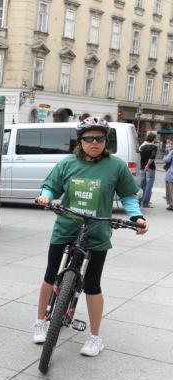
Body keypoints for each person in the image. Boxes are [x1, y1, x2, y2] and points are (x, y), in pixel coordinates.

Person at [34, 117, 149, 357]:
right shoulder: (67, 163)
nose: (94, 143)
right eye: (89, 139)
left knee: (92, 284)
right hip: (66, 227)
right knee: (50, 275)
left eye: (100, 138)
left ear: (105, 141)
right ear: (81, 141)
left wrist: (136, 216)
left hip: (97, 231)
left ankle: (95, 337)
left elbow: (128, 195)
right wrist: (46, 196)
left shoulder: (115, 166)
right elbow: (51, 186)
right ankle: (41, 321)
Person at [139, 133, 158, 208]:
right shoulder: (154, 147)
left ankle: (139, 202)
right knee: (148, 187)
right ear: (153, 139)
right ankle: (145, 204)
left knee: (142, 186)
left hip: (142, 168)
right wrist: (147, 165)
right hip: (150, 168)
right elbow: (152, 157)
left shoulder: (142, 147)